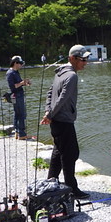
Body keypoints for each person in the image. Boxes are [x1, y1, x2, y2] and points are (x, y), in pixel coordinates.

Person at [40, 45, 91, 199]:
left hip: (57, 120)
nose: (85, 62)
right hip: (63, 121)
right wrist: (49, 114)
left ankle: (51, 182)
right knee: (70, 153)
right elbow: (62, 98)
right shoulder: (71, 76)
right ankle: (71, 188)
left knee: (58, 151)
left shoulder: (60, 73)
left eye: (86, 59)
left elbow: (50, 93)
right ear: (72, 58)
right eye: (82, 59)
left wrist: (48, 112)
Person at [6, 55, 31, 140]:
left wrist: (25, 83)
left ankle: (17, 132)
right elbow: (13, 87)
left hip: (18, 95)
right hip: (16, 96)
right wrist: (22, 83)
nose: (21, 65)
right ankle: (22, 134)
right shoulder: (10, 73)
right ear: (15, 63)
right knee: (22, 114)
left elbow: (19, 84)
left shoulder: (16, 72)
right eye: (20, 63)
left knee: (17, 114)